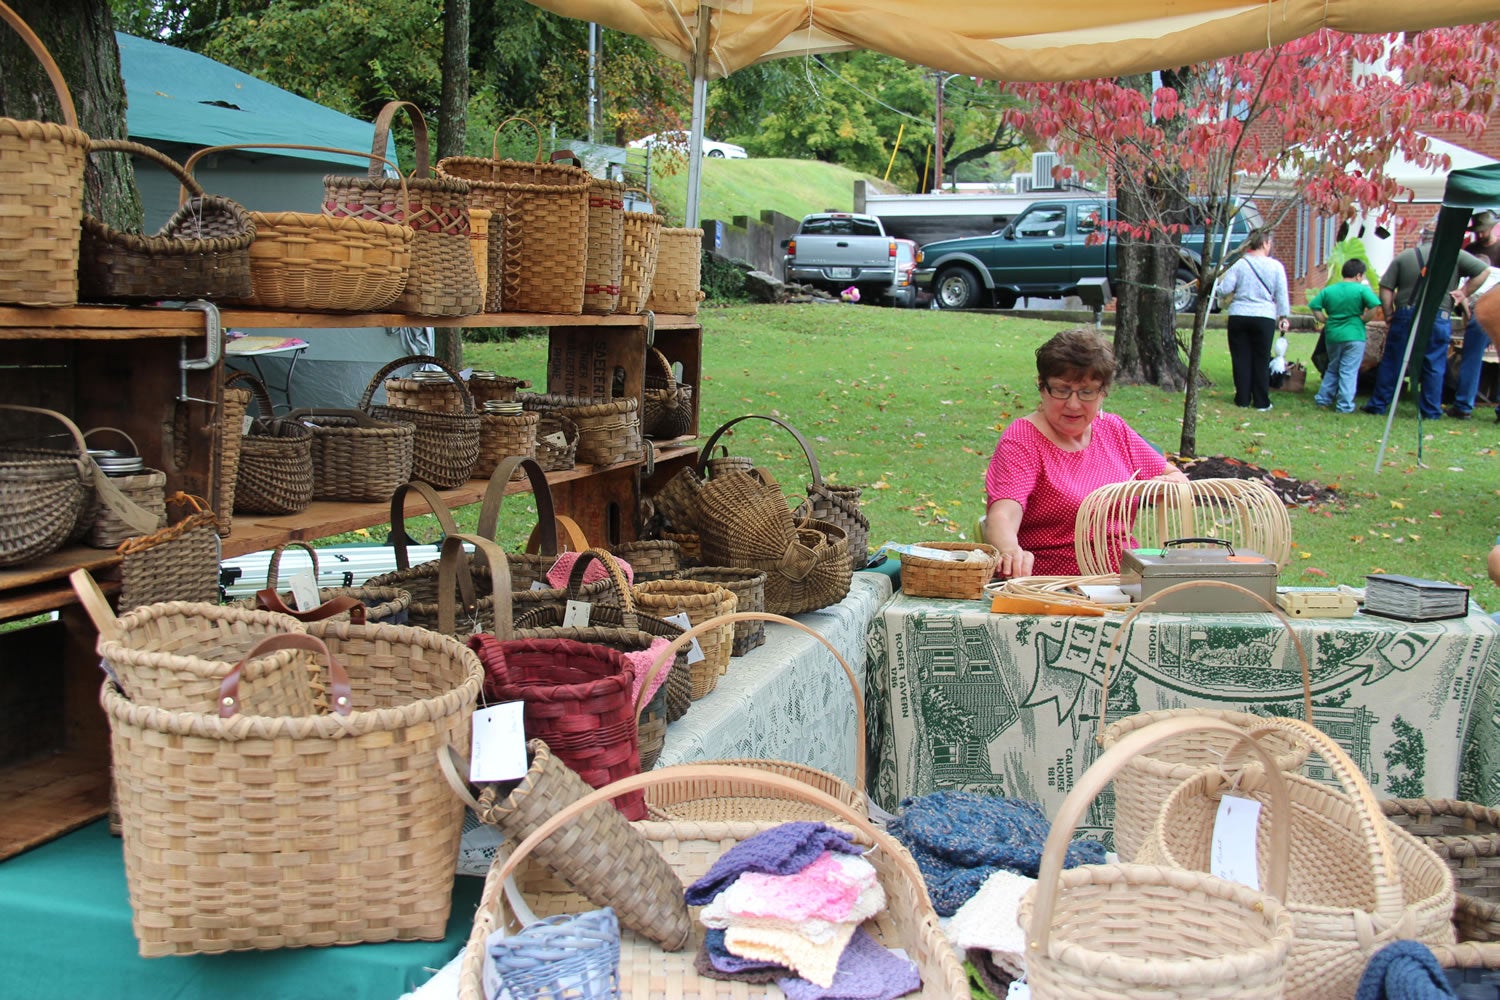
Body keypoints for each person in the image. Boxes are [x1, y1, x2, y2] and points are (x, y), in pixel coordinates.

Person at [983, 328, 1189, 578]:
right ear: (1042, 386)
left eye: (1087, 392)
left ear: (1103, 392)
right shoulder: (1023, 439)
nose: (1073, 404)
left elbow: (1174, 478)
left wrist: (1171, 485)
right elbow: (1003, 513)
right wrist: (1009, 551)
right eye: (1061, 390)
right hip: (1055, 584)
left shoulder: (1114, 429)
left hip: (1126, 581)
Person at [1361, 223, 1490, 419]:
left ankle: (1378, 405)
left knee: (1394, 360)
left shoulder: (1404, 257)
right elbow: (1484, 271)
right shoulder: (1454, 256)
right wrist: (1463, 292)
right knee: (1434, 363)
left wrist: (1388, 313)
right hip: (1439, 315)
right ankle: (1430, 410)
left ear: (1422, 238)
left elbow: (1386, 287)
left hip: (1406, 313)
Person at [1216, 230, 1291, 411]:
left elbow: (1224, 289)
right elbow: (1281, 294)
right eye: (1269, 242)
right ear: (1264, 243)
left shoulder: (1240, 263)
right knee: (1261, 358)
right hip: (1264, 316)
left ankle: (1242, 398)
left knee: (1240, 358)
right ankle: (1261, 401)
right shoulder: (1276, 266)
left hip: (1239, 314)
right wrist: (1283, 317)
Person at [1446, 210, 1500, 420]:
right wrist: (1467, 310)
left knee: (1471, 355)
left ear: (1492, 228)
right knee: (1471, 356)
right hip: (1477, 307)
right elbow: (1462, 284)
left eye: (1483, 230)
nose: (1480, 234)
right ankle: (1463, 406)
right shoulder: (1470, 250)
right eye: (1477, 231)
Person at [1309, 259, 1382, 413]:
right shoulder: (1361, 290)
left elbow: (1314, 306)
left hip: (1333, 335)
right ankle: (1344, 405)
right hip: (1355, 334)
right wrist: (1365, 319)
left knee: (1333, 367)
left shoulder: (1329, 290)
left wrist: (1324, 319)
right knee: (1349, 370)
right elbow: (1374, 305)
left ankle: (1323, 399)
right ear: (1358, 275)